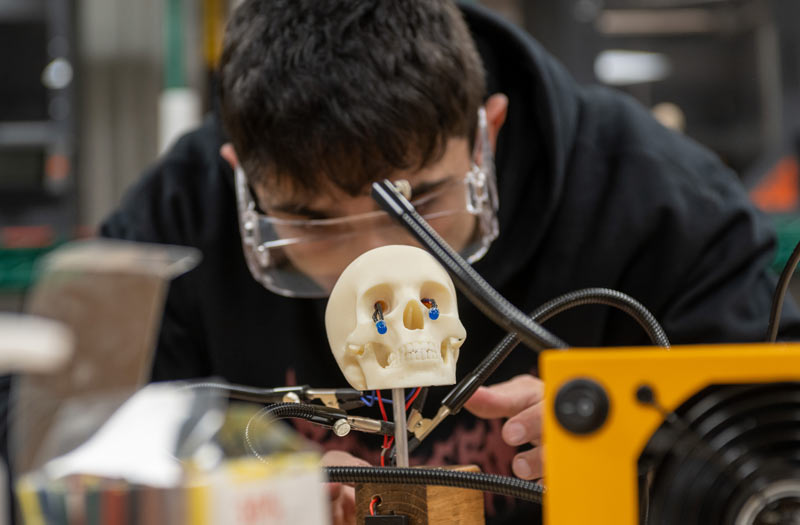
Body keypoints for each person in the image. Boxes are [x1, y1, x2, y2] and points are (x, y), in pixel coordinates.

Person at [100, 1, 800, 523]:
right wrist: (244, 485)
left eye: (420, 202)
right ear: (241, 179)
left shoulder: (662, 207)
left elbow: (778, 459)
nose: (378, 261)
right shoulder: (176, 215)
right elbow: (59, 438)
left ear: (486, 136)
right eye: (312, 220)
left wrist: (635, 468)